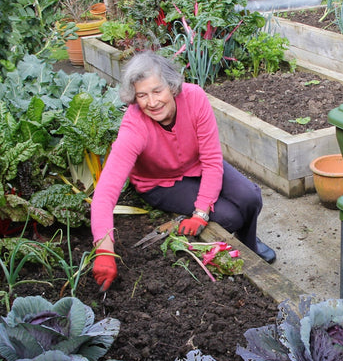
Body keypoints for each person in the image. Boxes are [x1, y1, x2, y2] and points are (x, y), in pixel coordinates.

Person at [91, 50, 276, 292]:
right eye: (142, 95)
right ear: (134, 99)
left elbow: (211, 159)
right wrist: (104, 249)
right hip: (160, 182)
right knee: (229, 216)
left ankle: (248, 242)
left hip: (198, 165)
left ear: (172, 86)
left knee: (250, 196)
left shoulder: (194, 98)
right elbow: (106, 192)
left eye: (157, 91)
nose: (152, 102)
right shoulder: (134, 125)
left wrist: (201, 212)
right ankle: (237, 243)